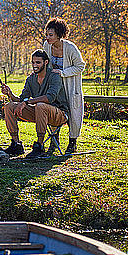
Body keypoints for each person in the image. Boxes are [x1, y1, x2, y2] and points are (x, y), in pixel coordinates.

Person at [1, 49, 70, 159]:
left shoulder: (54, 76)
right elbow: (22, 99)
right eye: (33, 62)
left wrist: (26, 102)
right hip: (39, 113)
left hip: (59, 114)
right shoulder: (31, 78)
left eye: (38, 62)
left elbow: (49, 97)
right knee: (9, 106)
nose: (34, 65)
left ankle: (39, 146)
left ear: (46, 62)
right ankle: (16, 144)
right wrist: (10, 94)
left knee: (40, 105)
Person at [43, 17, 86, 154]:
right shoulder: (46, 46)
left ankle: (72, 142)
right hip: (55, 87)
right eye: (47, 34)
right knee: (54, 111)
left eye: (51, 35)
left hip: (70, 86)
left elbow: (80, 66)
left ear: (59, 34)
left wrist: (63, 72)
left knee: (73, 113)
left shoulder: (70, 48)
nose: (48, 37)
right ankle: (54, 141)